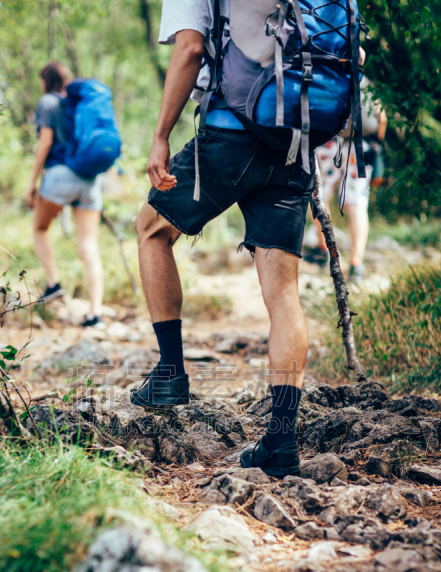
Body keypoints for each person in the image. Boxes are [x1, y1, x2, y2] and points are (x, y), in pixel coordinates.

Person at [131, 0, 327, 478]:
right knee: (283, 291)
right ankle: (281, 442)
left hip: (232, 132)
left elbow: (190, 47)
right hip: (295, 140)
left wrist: (161, 135)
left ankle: (170, 374)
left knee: (151, 230)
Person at [27, 61, 105, 328]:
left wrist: (32, 181)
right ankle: (95, 314)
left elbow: (46, 141)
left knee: (39, 228)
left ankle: (53, 284)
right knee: (89, 246)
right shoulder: (79, 102)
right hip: (89, 178)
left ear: (45, 80)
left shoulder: (47, 102)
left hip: (60, 175)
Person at [309, 81, 387, 282]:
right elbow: (382, 118)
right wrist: (378, 142)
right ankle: (356, 264)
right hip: (360, 145)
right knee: (357, 203)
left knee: (319, 197)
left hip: (328, 142)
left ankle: (326, 252)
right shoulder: (364, 80)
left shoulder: (325, 75)